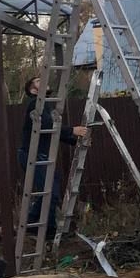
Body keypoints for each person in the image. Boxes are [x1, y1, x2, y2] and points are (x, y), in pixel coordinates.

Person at [18, 76, 88, 233]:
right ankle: (43, 228)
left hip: (41, 157)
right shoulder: (35, 104)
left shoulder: (45, 105)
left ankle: (36, 226)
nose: (43, 80)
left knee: (50, 192)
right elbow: (48, 125)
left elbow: (53, 132)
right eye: (38, 81)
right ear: (33, 90)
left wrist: (75, 141)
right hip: (32, 155)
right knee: (49, 193)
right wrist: (72, 130)